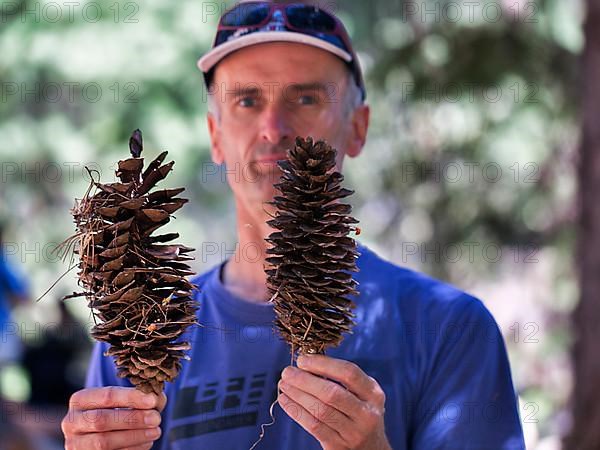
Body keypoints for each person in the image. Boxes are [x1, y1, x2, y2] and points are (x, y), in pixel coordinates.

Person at [61, 1, 526, 449]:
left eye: (305, 97)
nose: (274, 126)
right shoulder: (142, 329)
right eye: (246, 100)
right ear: (215, 136)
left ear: (358, 127)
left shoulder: (449, 328)